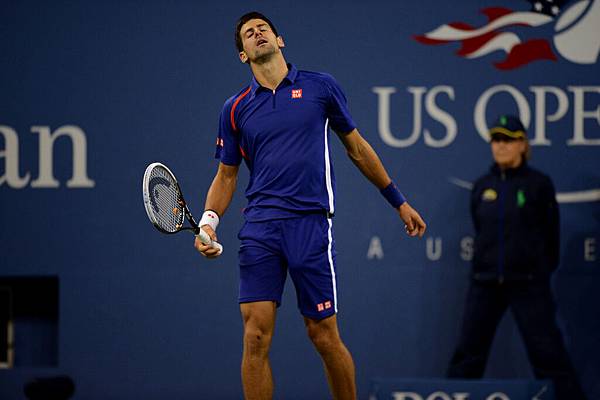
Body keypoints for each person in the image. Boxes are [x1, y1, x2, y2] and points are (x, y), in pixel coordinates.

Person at [194, 11, 426, 400]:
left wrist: (398, 201)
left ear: (279, 39)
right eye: (248, 34)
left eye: (262, 29)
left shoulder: (321, 87)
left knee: (323, 335)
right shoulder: (233, 109)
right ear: (243, 56)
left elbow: (357, 149)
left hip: (310, 224)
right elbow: (227, 176)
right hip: (261, 227)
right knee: (254, 337)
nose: (256, 34)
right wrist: (208, 222)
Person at [446, 115, 586, 400]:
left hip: (528, 284)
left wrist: (534, 269)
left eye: (508, 139)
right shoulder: (482, 186)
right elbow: (480, 227)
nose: (501, 145)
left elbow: (551, 239)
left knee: (549, 356)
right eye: (496, 139)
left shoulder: (538, 185)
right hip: (485, 283)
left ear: (522, 144)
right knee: (467, 357)